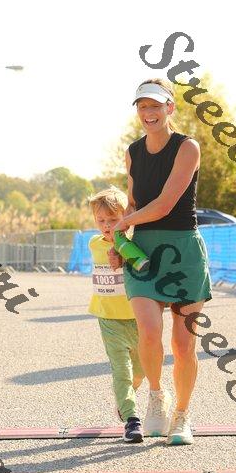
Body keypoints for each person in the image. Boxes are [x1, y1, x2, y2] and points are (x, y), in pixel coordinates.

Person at [111, 78, 212, 445]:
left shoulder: (188, 147)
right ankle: (156, 396)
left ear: (170, 108)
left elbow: (166, 204)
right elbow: (135, 203)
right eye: (142, 107)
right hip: (144, 253)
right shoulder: (132, 152)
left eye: (155, 105)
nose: (148, 113)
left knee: (184, 345)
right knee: (149, 332)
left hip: (183, 251)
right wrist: (120, 240)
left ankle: (182, 415)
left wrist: (125, 222)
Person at [88, 187, 145, 443]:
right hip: (109, 318)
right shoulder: (93, 243)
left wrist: (123, 252)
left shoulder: (135, 244)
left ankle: (126, 398)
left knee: (141, 371)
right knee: (121, 370)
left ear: (125, 218)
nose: (106, 226)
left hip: (138, 317)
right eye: (101, 220)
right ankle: (132, 419)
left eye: (112, 219)